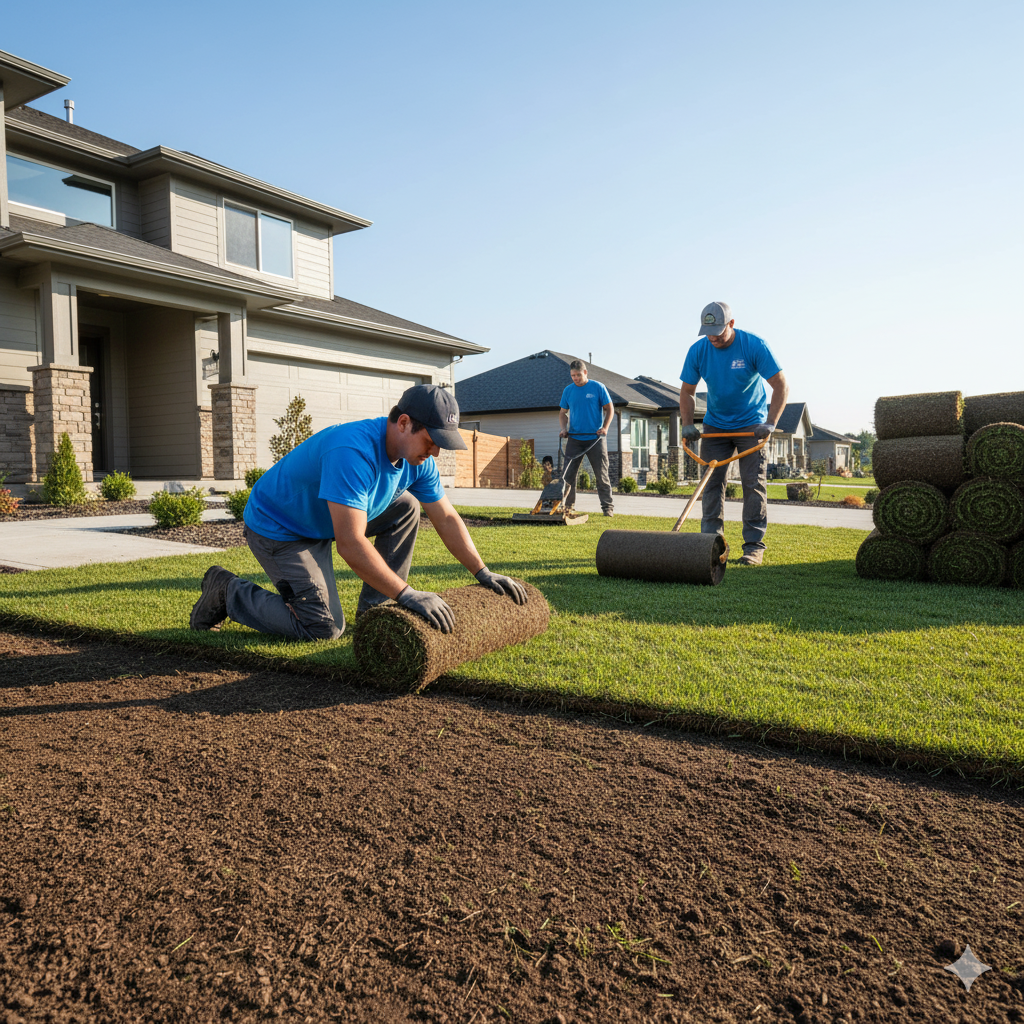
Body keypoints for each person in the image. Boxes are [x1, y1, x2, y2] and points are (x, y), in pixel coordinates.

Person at [189, 384, 527, 638]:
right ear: (404, 423)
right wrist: (407, 595)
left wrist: (483, 572)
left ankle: (374, 615)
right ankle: (226, 591)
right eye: (432, 440)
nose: (436, 452)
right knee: (323, 627)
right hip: (281, 527)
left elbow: (446, 517)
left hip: (322, 518)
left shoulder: (417, 460)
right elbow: (350, 543)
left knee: (406, 506)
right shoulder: (353, 451)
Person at [678, 301, 789, 566]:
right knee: (712, 483)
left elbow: (781, 385)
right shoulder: (699, 351)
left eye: (718, 330)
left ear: (731, 324)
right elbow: (687, 391)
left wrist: (771, 422)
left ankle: (753, 547)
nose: (713, 337)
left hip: (752, 425)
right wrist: (686, 424)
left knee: (753, 484)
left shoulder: (753, 345)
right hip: (716, 425)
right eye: (708, 331)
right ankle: (711, 543)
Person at [558, 359, 615, 516]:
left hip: (595, 439)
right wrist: (564, 429)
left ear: (585, 373)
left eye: (578, 375)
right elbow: (563, 413)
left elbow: (610, 409)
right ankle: (568, 507)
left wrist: (605, 427)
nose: (575, 378)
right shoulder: (568, 391)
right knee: (568, 475)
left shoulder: (597, 387)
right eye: (572, 375)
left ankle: (607, 508)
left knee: (601, 475)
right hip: (575, 439)